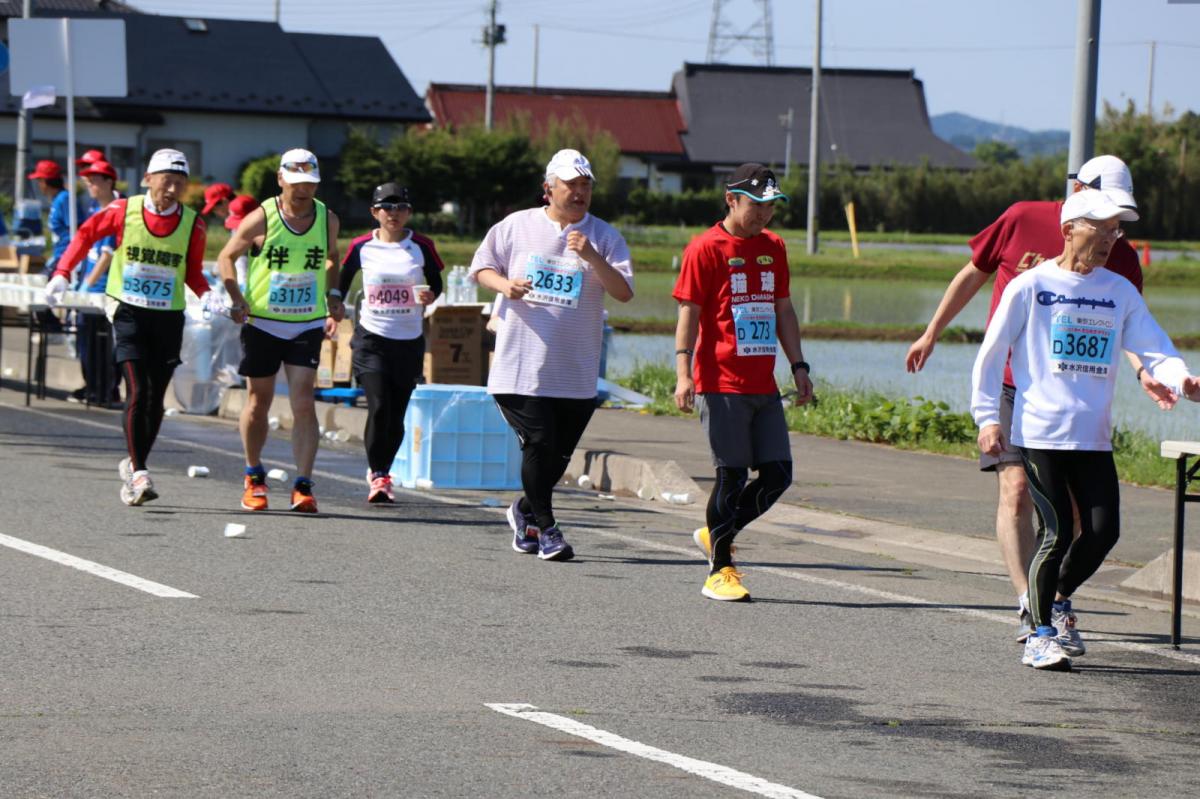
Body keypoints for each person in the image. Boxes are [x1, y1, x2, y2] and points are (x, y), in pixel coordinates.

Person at [904, 155, 1172, 641]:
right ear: (1077, 192)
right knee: (1016, 491)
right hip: (1014, 384)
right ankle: (1031, 606)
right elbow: (973, 273)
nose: (1114, 229)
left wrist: (1144, 372)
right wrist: (931, 332)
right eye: (1105, 212)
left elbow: (1123, 322)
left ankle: (1052, 597)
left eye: (1120, 217)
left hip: (1074, 395)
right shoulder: (1022, 217)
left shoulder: (1121, 253)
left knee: (1075, 518)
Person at [972, 189, 1199, 670]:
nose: (1110, 240)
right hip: (1039, 434)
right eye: (1101, 229)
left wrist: (1182, 378)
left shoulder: (1118, 291)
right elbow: (990, 356)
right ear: (1069, 228)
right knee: (1054, 533)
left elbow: (1154, 345)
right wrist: (988, 417)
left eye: (1117, 230)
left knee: (1102, 532)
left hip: (1091, 436)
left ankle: (1052, 598)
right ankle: (1038, 633)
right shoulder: (1031, 286)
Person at [469, 148, 634, 561]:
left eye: (586, 186)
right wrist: (505, 286)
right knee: (539, 443)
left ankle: (523, 510)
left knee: (557, 457)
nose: (580, 193)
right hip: (520, 366)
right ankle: (548, 530)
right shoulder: (516, 226)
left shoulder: (604, 236)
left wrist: (591, 256)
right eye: (571, 185)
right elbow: (482, 268)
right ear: (549, 189)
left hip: (575, 370)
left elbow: (624, 292)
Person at [672, 163, 813, 602]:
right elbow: (689, 316)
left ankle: (718, 531)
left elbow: (784, 311)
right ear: (731, 200)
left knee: (777, 475)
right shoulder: (705, 249)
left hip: (763, 382)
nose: (765, 214)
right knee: (730, 476)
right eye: (758, 205)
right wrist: (683, 372)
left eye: (772, 206)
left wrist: (799, 365)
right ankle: (720, 569)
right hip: (720, 381)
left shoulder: (774, 247)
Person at [45, 149, 210, 505]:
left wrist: (209, 295)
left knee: (156, 400)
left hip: (168, 317)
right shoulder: (124, 211)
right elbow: (85, 236)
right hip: (128, 312)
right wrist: (62, 273)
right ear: (148, 179)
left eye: (179, 183)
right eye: (166, 180)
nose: (172, 189)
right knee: (137, 390)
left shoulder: (194, 223)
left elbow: (194, 271)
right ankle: (139, 474)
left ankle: (137, 463)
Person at [217, 148, 344, 514]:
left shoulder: (327, 219)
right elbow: (227, 255)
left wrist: (333, 292)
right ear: (280, 180)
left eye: (309, 184)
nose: (303, 192)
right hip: (263, 322)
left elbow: (332, 256)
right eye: (296, 184)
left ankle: (303, 485)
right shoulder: (263, 217)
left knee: (304, 401)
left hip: (306, 321)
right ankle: (253, 475)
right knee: (259, 402)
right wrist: (235, 295)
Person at [338, 183, 444, 503]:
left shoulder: (421, 245)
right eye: (386, 207)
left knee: (397, 412)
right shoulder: (361, 246)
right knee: (379, 404)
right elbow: (341, 283)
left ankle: (383, 470)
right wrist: (333, 311)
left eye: (400, 207)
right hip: (372, 337)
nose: (393, 213)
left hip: (408, 338)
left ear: (409, 212)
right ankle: (379, 474)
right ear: (374, 213)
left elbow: (436, 284)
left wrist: (430, 296)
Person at [73, 160, 121, 405]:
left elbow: (107, 254)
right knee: (86, 344)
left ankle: (103, 390)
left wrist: (89, 283)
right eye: (87, 180)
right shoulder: (94, 208)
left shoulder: (116, 210)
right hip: (88, 286)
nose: (90, 184)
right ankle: (92, 387)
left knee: (102, 346)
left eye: (95, 180)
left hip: (103, 290)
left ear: (109, 181)